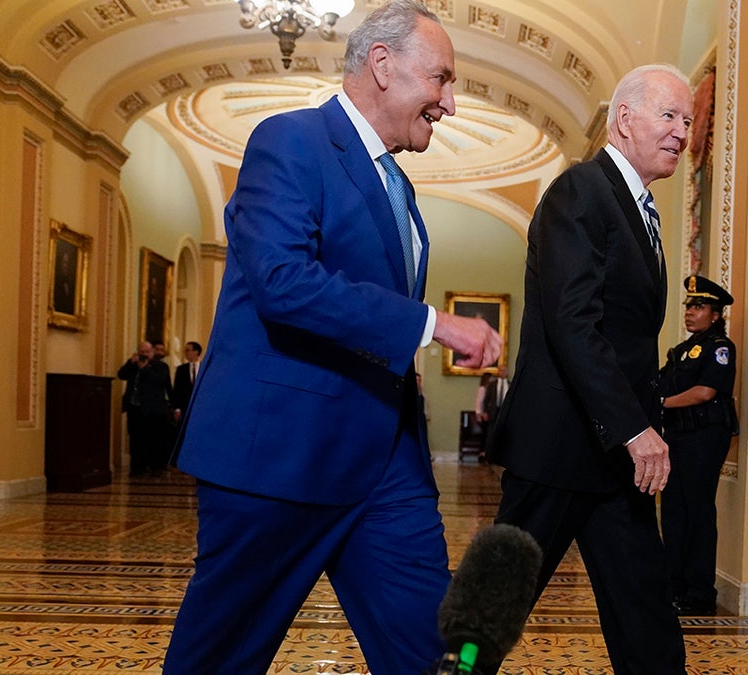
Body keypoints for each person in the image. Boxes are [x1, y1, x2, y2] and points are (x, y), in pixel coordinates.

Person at [162, 2, 502, 673]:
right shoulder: (289, 141)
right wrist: (432, 323)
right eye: (441, 79)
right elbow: (283, 281)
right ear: (382, 63)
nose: (451, 104)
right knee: (218, 659)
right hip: (277, 458)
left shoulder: (399, 186)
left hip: (386, 467)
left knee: (437, 653)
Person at [486, 63, 693, 674]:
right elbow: (573, 323)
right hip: (559, 449)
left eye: (687, 119)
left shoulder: (638, 208)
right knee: (492, 609)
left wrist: (631, 434)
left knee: (645, 610)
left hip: (616, 460)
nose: (683, 132)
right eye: (669, 115)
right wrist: (635, 428)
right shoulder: (580, 190)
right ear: (624, 118)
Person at [658, 274, 738, 617]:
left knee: (697, 512)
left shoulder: (720, 348)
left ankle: (700, 592)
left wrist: (660, 404)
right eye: (689, 306)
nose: (690, 312)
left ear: (716, 314)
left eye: (699, 306)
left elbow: (705, 392)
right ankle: (674, 587)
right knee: (674, 512)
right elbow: (658, 383)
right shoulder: (679, 352)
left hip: (704, 438)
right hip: (676, 437)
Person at [117, 340, 173, 477]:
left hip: (152, 409)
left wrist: (145, 368)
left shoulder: (160, 366)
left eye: (146, 352)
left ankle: (155, 467)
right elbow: (121, 375)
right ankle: (137, 468)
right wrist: (131, 362)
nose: (144, 355)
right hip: (134, 407)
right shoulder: (133, 365)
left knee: (153, 439)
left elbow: (160, 381)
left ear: (152, 353)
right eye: (141, 352)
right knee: (136, 438)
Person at [474, 367, 508, 462]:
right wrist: (484, 411)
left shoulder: (510, 384)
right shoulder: (492, 385)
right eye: (501, 370)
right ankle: (489, 456)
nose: (502, 372)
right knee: (490, 434)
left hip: (504, 412)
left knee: (503, 434)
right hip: (493, 412)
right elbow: (486, 400)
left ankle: (501, 456)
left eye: (504, 370)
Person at [171, 341, 202, 424]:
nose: (185, 353)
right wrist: (177, 408)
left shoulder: (204, 368)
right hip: (185, 407)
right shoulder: (181, 369)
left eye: (188, 350)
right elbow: (177, 389)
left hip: (200, 406)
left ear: (196, 352)